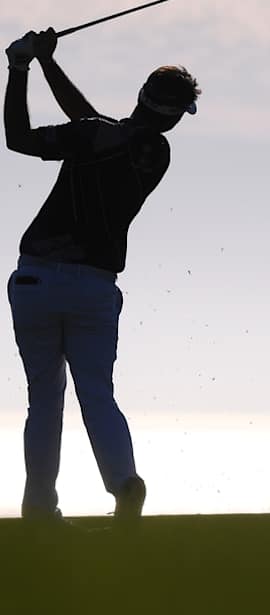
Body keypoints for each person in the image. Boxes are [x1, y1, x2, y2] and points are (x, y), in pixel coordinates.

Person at [4, 28, 200, 526]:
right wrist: (46, 64)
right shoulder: (155, 154)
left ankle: (38, 506)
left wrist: (23, 67)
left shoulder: (95, 135)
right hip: (93, 288)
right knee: (97, 392)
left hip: (35, 283)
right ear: (175, 116)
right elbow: (91, 123)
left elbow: (18, 138)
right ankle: (123, 482)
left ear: (141, 97)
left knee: (44, 400)